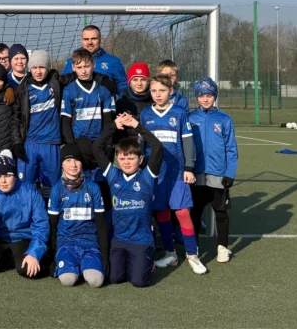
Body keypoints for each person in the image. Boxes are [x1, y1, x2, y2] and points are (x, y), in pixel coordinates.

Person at [141, 75, 206, 274]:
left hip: (177, 172)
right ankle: (170, 254)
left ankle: (192, 254)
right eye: (154, 91)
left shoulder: (179, 113)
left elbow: (187, 142)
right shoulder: (145, 114)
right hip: (156, 174)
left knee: (182, 212)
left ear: (171, 91)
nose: (158, 94)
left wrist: (189, 167)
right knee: (162, 212)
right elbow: (141, 144)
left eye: (162, 90)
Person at [92, 112, 164, 287]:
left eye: (131, 158)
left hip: (141, 240)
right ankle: (137, 263)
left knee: (138, 282)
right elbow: (97, 147)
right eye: (122, 158)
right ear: (117, 159)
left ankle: (149, 261)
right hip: (119, 239)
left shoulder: (147, 176)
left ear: (140, 159)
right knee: (115, 278)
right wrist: (114, 126)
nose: (126, 162)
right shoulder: (113, 175)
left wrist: (135, 125)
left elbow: (157, 147)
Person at [0, 151, 50, 278]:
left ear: (15, 175)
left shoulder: (30, 192)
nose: (3, 181)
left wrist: (34, 253)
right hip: (0, 239)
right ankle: (15, 260)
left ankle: (27, 258)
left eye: (7, 175)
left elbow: (41, 224)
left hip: (24, 238)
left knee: (28, 270)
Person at [187, 78, 238, 264]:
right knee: (195, 213)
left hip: (218, 174)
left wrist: (229, 173)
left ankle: (222, 247)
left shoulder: (224, 119)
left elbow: (231, 148)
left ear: (215, 96)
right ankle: (193, 248)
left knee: (221, 212)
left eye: (209, 95)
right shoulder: (190, 118)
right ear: (197, 97)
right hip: (197, 174)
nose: (206, 99)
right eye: (202, 96)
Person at [48, 144, 108, 287]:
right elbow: (53, 226)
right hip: (66, 244)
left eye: (77, 160)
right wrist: (53, 256)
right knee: (67, 280)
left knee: (96, 281)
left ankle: (85, 265)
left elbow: (101, 224)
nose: (73, 165)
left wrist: (105, 256)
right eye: (68, 160)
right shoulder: (57, 189)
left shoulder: (93, 187)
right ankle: (75, 266)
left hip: (89, 244)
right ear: (62, 164)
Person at [14, 50, 63, 193]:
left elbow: (79, 75)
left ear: (48, 68)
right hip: (30, 144)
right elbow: (16, 118)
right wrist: (17, 142)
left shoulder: (55, 83)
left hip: (51, 142)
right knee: (26, 187)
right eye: (34, 67)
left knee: (53, 187)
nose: (38, 71)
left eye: (42, 67)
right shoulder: (23, 89)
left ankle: (51, 208)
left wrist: (102, 79)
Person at [62, 25, 128, 94]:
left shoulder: (114, 62)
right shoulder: (71, 62)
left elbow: (123, 88)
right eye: (86, 39)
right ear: (82, 40)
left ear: (101, 39)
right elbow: (64, 87)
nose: (90, 42)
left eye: (94, 39)